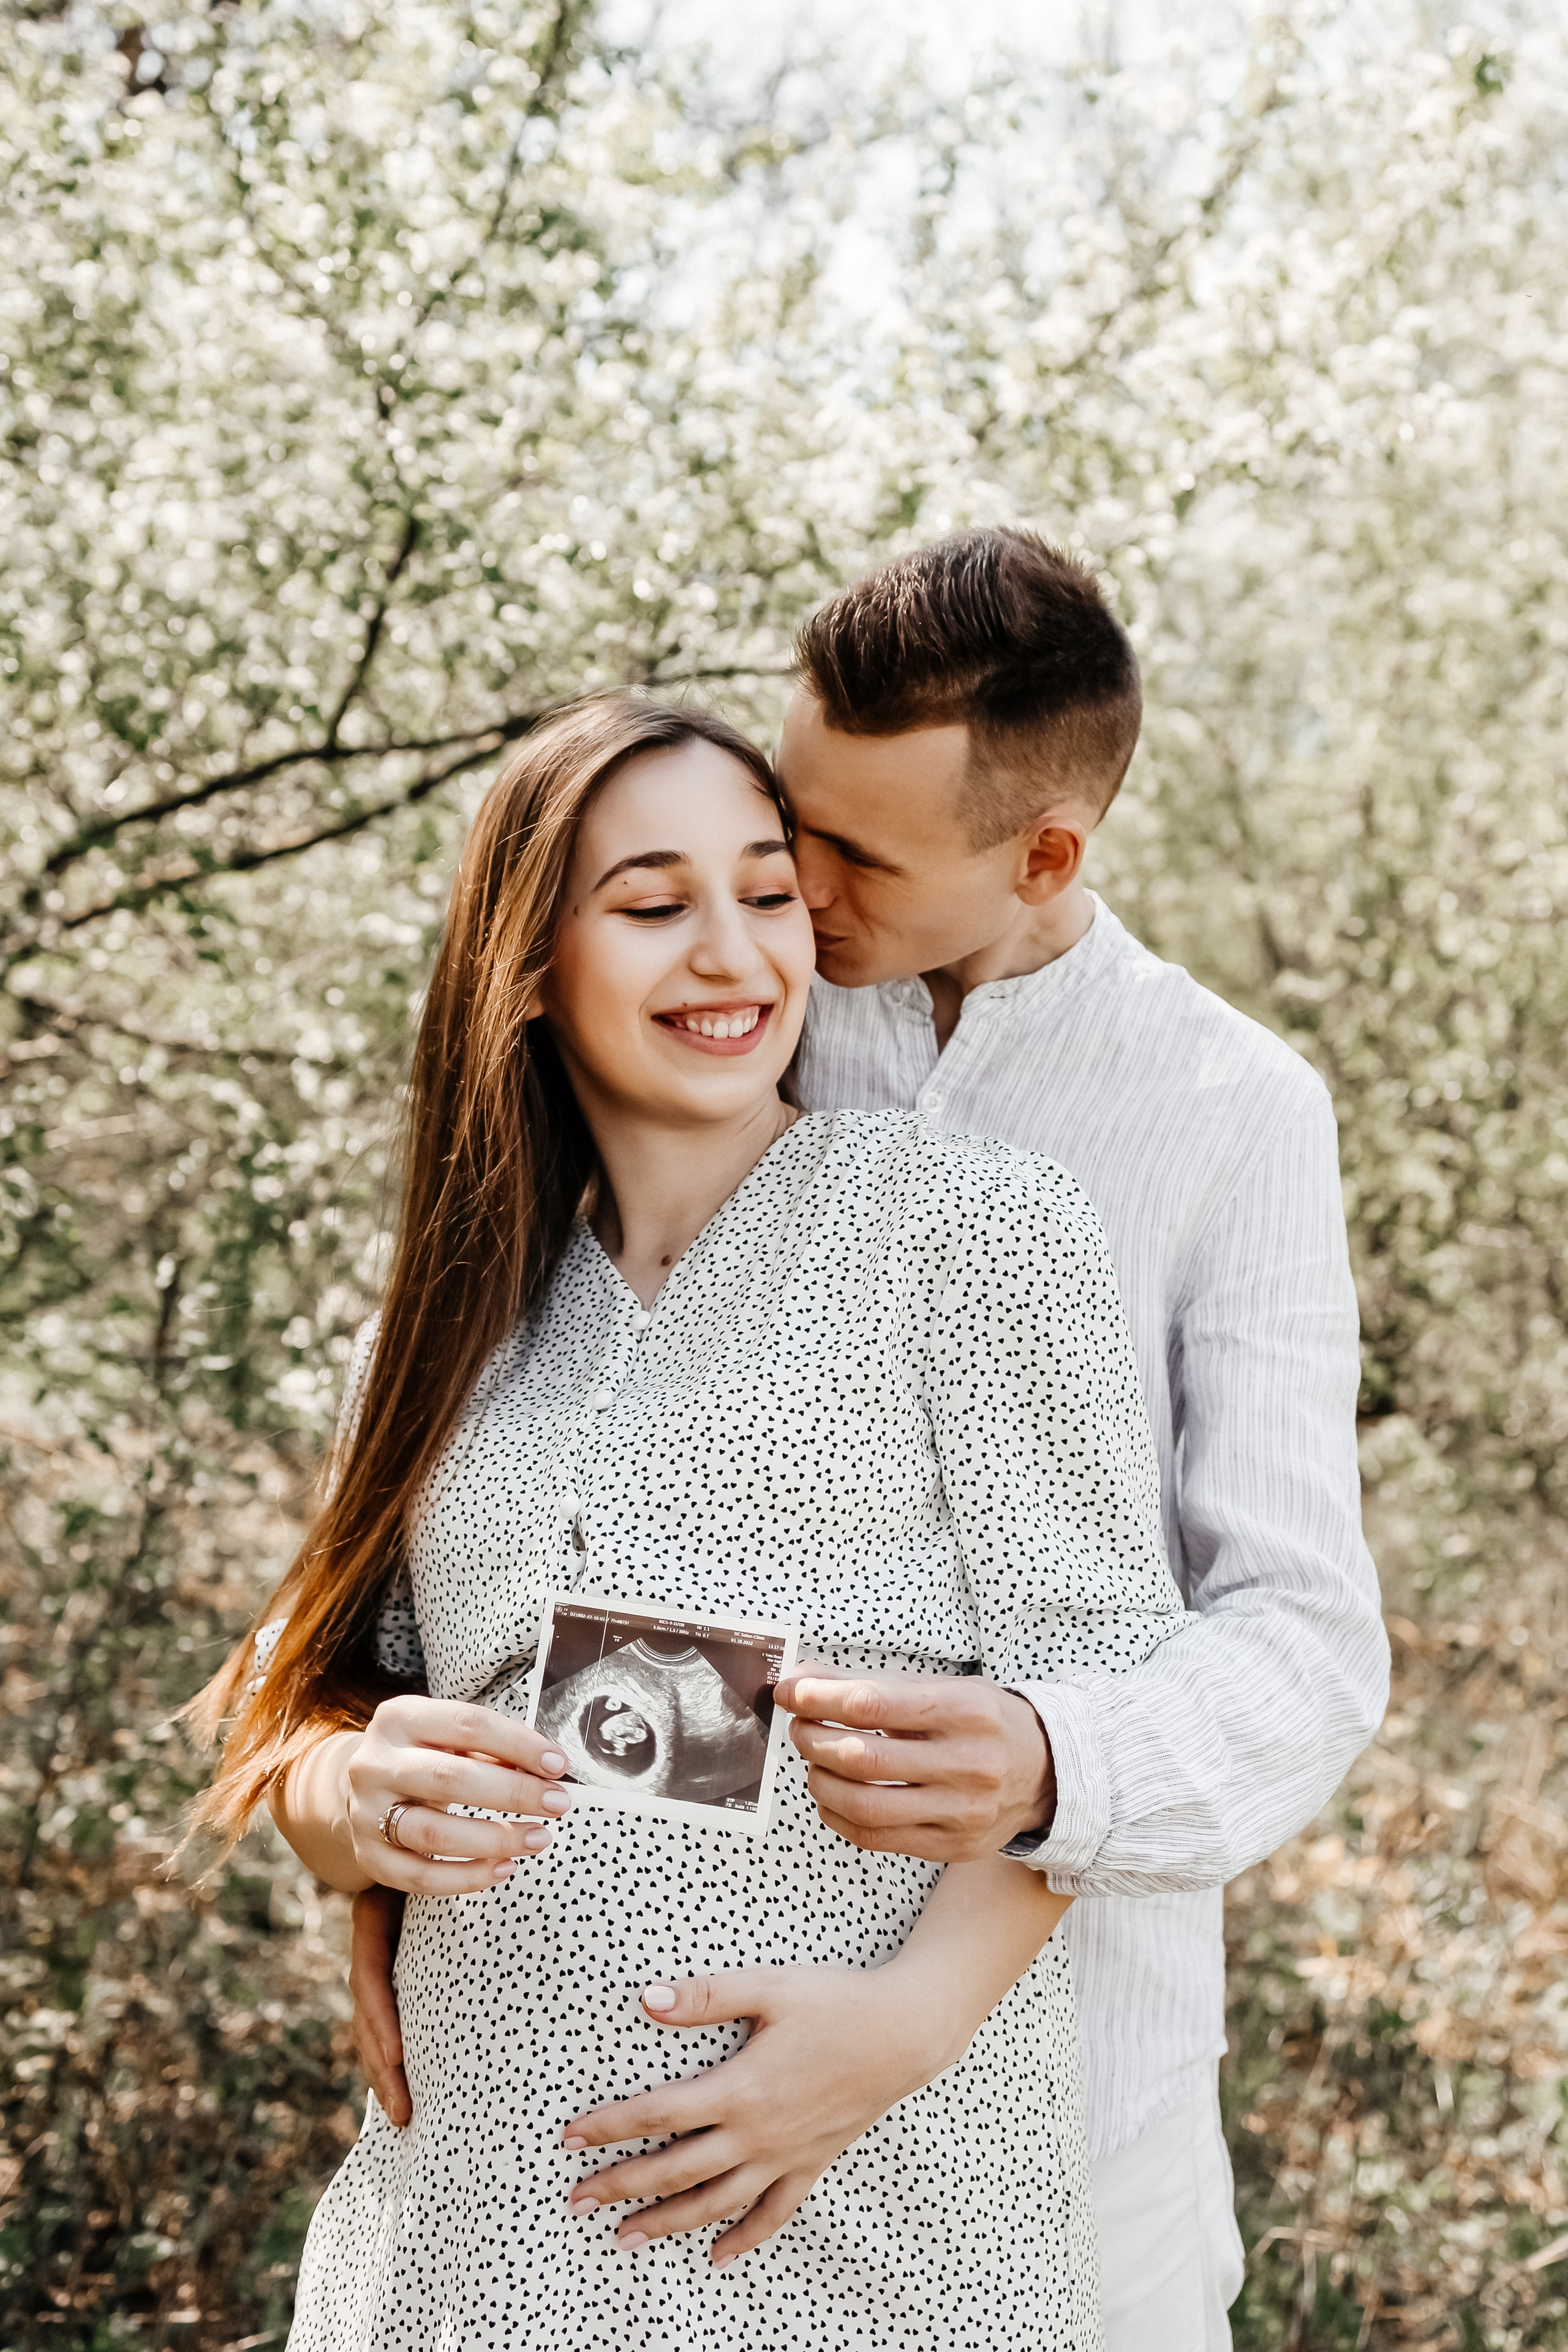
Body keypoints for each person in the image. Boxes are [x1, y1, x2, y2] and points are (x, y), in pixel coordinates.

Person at [345, 530, 1390, 2352]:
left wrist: (1046, 1768)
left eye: (835, 858)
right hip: (543, 2163)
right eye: (778, 822)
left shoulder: (1228, 1112)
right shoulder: (732, 999)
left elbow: (1302, 1637)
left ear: (1044, 857)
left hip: (1056, 2087)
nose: (789, 900)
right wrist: (369, 1820)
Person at [191, 692, 1187, 2350]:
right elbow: (318, 1707)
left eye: (769, 892)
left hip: (858, 2202)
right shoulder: (442, 1326)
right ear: (532, 963)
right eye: (654, 904)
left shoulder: (967, 1231)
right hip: (486, 2213)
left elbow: (1102, 1708)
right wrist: (344, 1803)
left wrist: (894, 2032)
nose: (733, 953)